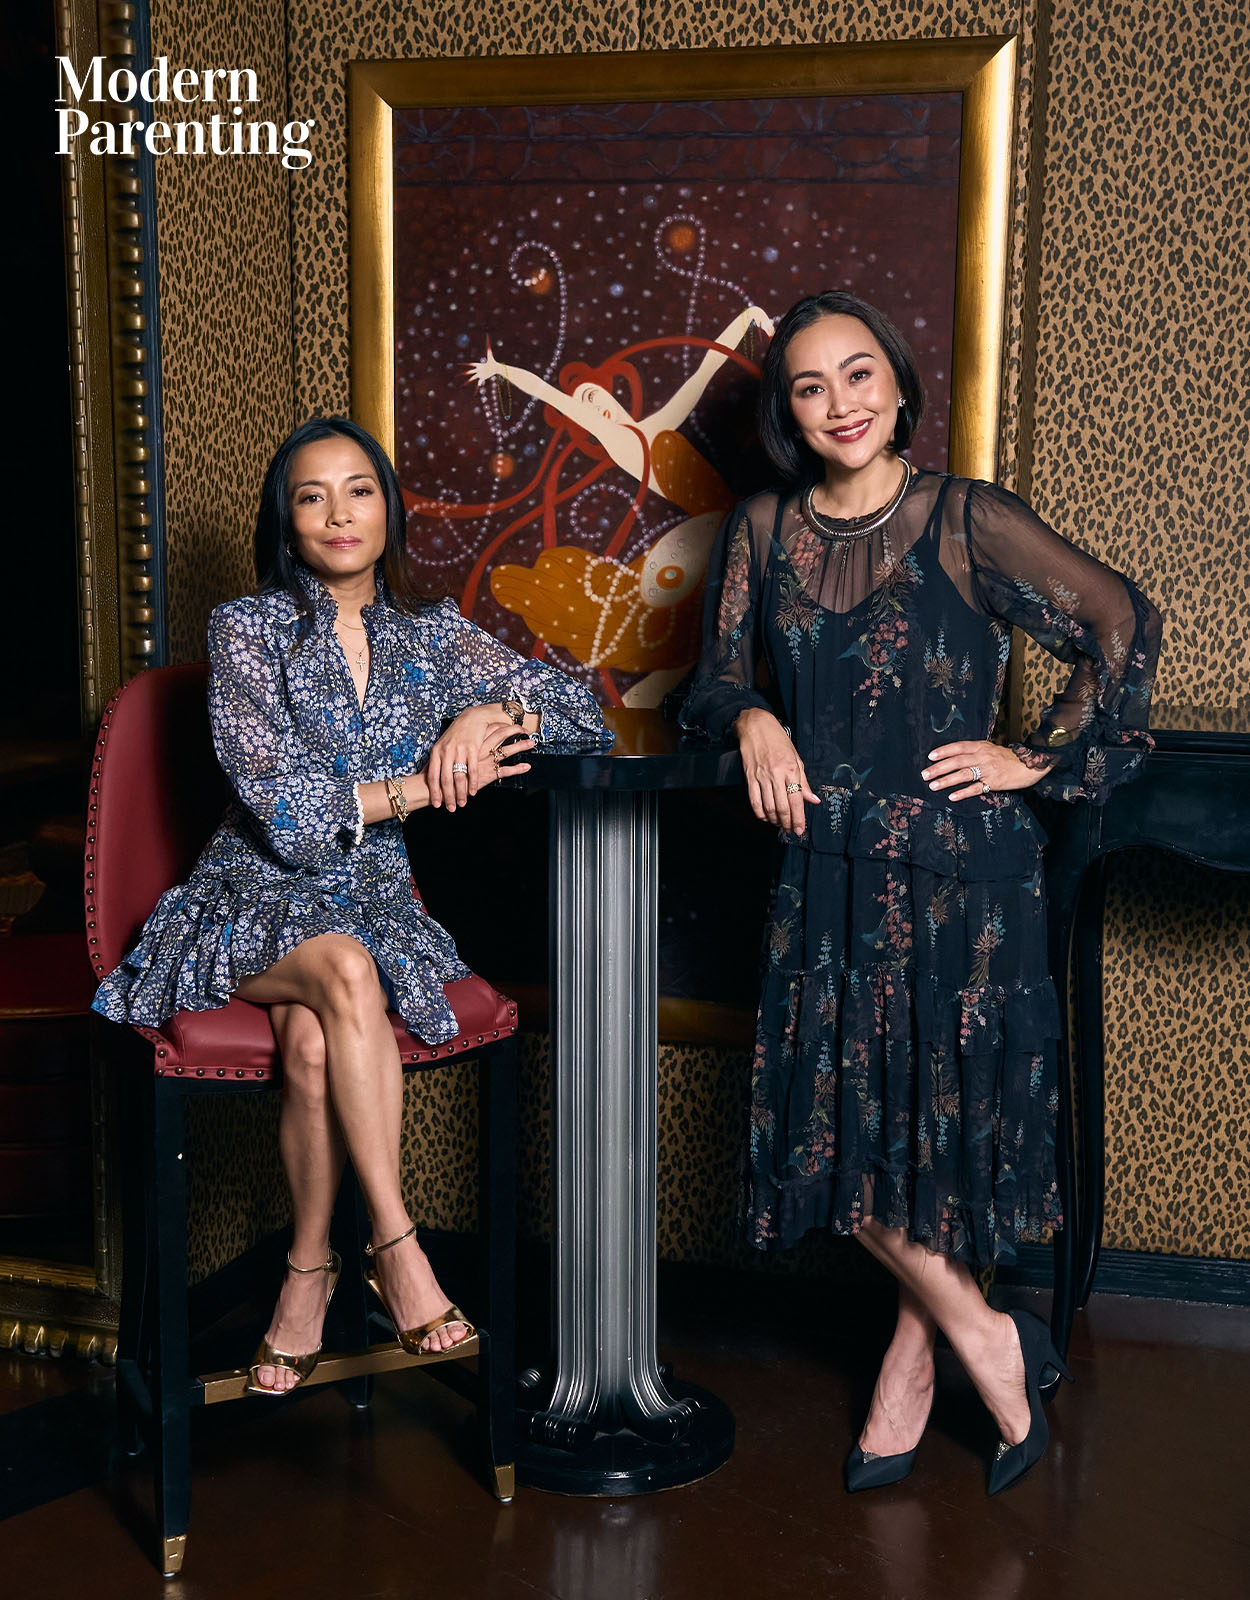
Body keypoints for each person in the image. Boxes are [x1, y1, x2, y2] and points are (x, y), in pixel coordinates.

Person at [681, 291, 1161, 1493]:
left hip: (961, 881)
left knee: (932, 1143)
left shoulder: (964, 517)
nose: (838, 403)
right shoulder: (758, 529)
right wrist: (750, 717)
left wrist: (1034, 758)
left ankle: (915, 1368)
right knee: (835, 1140)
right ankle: (985, 1337)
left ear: (897, 386)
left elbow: (1118, 620)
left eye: (858, 375)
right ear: (787, 414)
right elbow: (712, 680)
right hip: (826, 875)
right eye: (808, 386)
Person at [93, 417, 609, 1394]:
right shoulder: (248, 629)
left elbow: (586, 714)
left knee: (314, 1040)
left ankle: (306, 1269)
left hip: (370, 902)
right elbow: (285, 814)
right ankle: (397, 1246)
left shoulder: (432, 636)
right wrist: (418, 788)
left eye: (359, 489)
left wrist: (489, 713)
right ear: (286, 522)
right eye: (312, 495)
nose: (338, 512)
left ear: (388, 510)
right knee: (343, 970)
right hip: (249, 896)